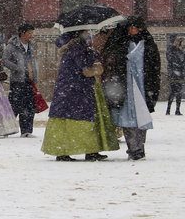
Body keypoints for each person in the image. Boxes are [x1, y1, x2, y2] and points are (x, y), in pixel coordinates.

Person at [41, 31, 119, 161]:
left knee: (74, 119)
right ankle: (75, 151)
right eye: (87, 32)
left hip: (73, 90)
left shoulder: (80, 48)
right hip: (76, 90)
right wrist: (97, 68)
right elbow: (86, 71)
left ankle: (80, 150)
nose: (90, 35)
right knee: (79, 120)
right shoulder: (77, 49)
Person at [102, 17, 160, 160]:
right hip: (126, 85)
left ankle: (139, 148)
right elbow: (110, 59)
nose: (133, 30)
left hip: (142, 85)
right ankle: (133, 149)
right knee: (128, 118)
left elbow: (154, 67)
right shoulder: (120, 43)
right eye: (131, 27)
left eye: (136, 27)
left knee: (141, 117)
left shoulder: (148, 44)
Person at [3, 24, 39, 137]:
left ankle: (27, 131)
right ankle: (6, 128)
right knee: (15, 105)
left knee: (29, 106)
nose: (31, 35)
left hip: (30, 79)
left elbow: (33, 61)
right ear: (22, 33)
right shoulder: (12, 46)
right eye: (29, 33)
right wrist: (18, 68)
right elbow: (5, 60)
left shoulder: (32, 46)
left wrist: (34, 74)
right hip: (18, 80)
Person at [166, 36, 185, 116]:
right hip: (173, 74)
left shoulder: (182, 52)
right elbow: (170, 59)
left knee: (179, 92)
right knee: (173, 92)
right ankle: (168, 109)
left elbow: (183, 62)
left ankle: (177, 110)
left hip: (180, 74)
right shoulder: (172, 50)